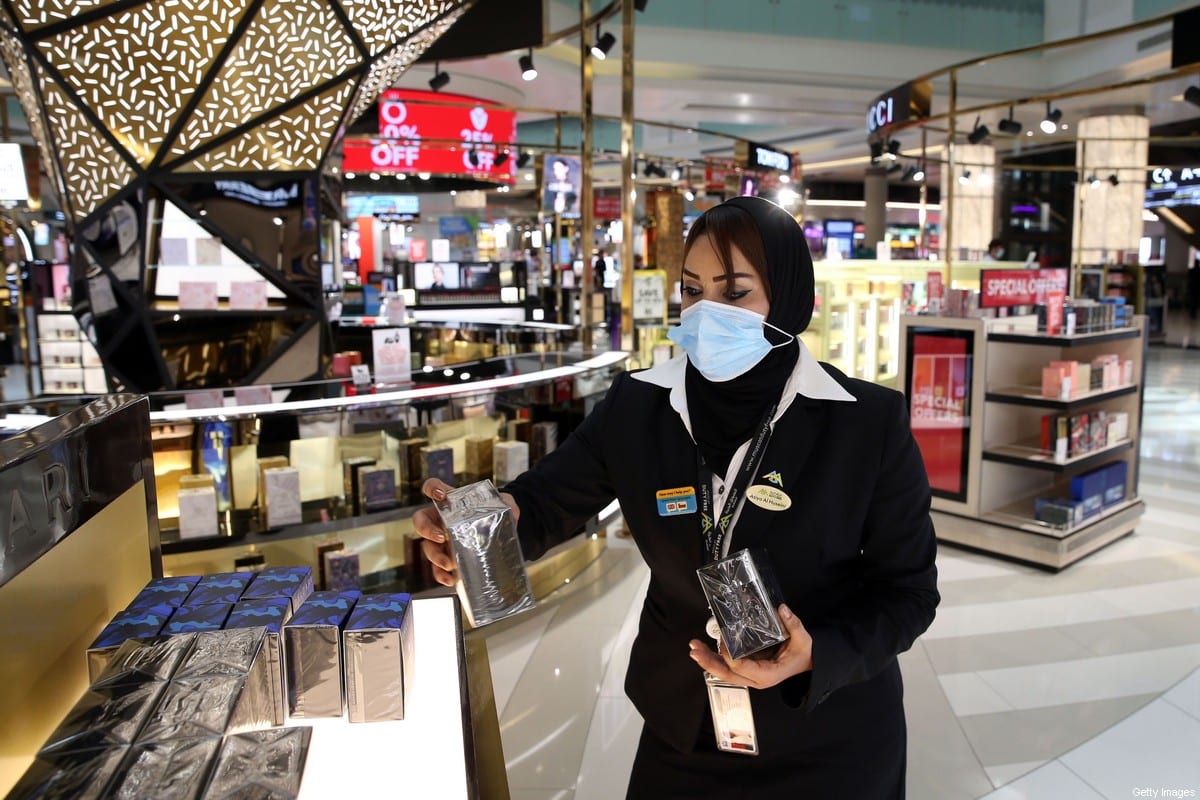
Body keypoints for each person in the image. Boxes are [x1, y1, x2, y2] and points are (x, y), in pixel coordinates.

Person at [414, 196, 939, 797]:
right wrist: (488, 527)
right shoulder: (639, 406)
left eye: (735, 292)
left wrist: (816, 654)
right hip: (685, 728)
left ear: (789, 298)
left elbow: (909, 593)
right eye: (692, 289)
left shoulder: (865, 423)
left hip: (829, 735)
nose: (706, 311)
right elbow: (550, 498)